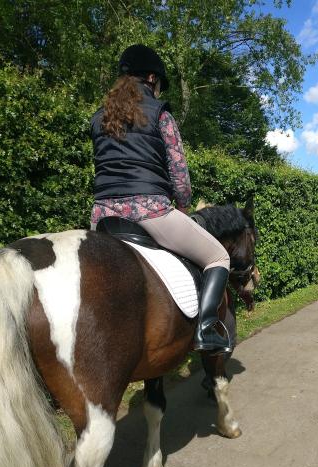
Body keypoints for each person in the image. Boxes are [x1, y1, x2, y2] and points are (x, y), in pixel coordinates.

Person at [90, 44, 231, 354]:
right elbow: (179, 171)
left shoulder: (98, 118)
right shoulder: (159, 112)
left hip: (102, 217)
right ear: (151, 78)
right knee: (219, 257)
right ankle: (207, 330)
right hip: (150, 212)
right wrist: (182, 206)